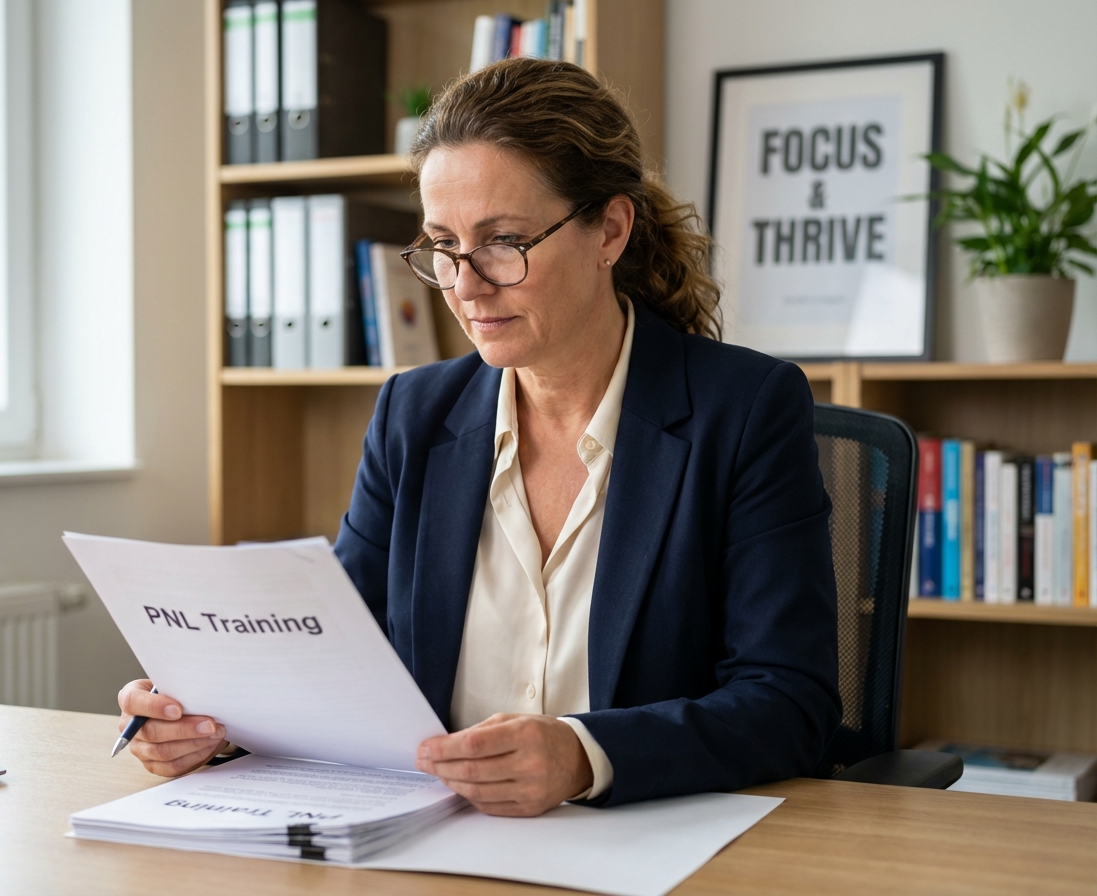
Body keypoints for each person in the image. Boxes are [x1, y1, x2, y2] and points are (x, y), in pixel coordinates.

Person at [117, 57, 841, 818]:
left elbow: (789, 701)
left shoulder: (746, 407)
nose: (465, 284)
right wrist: (208, 721)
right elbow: (333, 658)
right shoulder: (412, 413)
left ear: (611, 230)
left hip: (644, 842)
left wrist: (584, 755)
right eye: (442, 244)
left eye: (502, 242)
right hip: (433, 838)